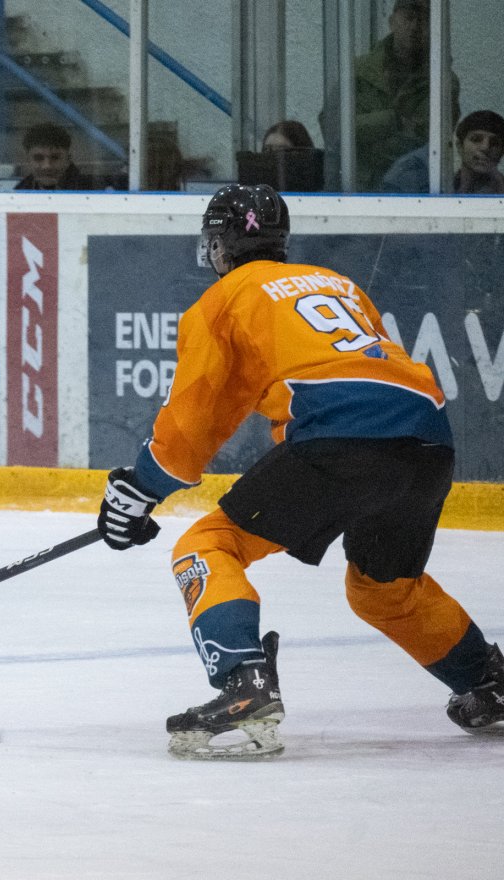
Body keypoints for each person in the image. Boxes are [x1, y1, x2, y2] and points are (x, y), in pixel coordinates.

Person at [95, 183, 504, 760]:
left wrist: (139, 489)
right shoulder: (335, 283)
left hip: (341, 435)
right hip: (429, 437)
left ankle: (245, 684)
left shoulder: (222, 300)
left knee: (209, 545)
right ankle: (489, 679)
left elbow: (193, 425)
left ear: (217, 244)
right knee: (384, 589)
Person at [320, 0, 460, 191]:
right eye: (408, 18)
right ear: (392, 21)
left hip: (414, 191)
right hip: (355, 190)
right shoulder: (357, 72)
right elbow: (334, 129)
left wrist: (363, 143)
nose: (414, 27)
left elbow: (423, 143)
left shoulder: (442, 82)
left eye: (423, 20)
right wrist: (393, 120)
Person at [382, 109, 504, 194]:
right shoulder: (438, 186)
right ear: (459, 146)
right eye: (476, 139)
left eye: (494, 143)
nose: (485, 147)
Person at [14, 122, 93, 191]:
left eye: (55, 158)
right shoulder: (18, 193)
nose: (47, 166)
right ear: (28, 160)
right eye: (38, 158)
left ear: (68, 160)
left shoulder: (94, 190)